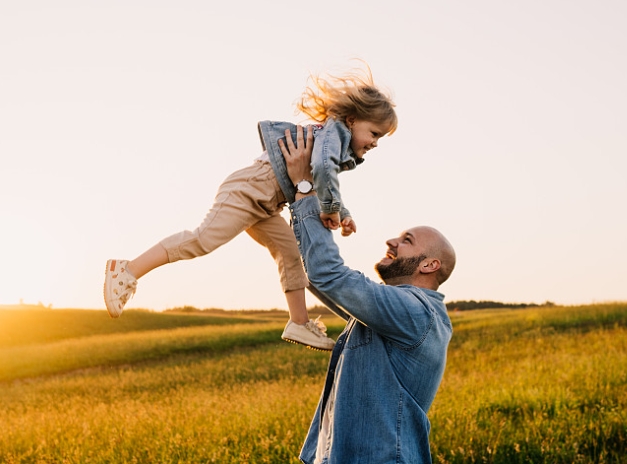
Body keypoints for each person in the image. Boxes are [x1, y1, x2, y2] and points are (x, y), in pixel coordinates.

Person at [103, 63, 397, 351]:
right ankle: (126, 270)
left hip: (268, 203)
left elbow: (321, 177)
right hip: (250, 188)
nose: (375, 143)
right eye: (374, 133)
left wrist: (340, 213)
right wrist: (332, 209)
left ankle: (299, 322)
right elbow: (320, 168)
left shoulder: (336, 138)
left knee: (290, 253)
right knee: (202, 240)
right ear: (351, 119)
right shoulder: (335, 134)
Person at [280, 126, 456, 463]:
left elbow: (328, 275)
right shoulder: (388, 314)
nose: (391, 241)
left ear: (430, 264)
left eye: (406, 240)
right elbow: (314, 277)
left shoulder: (415, 312)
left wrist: (305, 186)